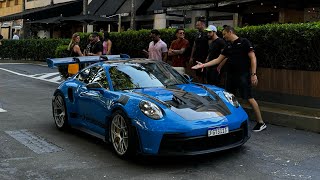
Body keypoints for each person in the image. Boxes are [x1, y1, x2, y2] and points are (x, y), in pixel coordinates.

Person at [192, 25, 266, 132]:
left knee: (249, 97)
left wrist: (253, 74)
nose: (224, 36)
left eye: (224, 34)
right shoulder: (228, 46)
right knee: (229, 97)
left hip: (243, 75)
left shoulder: (244, 42)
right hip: (230, 76)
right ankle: (231, 122)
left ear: (230, 32)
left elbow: (253, 57)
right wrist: (203, 65)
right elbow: (218, 60)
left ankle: (261, 122)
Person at [189, 18, 209, 83]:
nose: (197, 27)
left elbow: (211, 47)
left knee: (205, 74)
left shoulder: (207, 34)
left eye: (198, 25)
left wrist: (208, 57)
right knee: (198, 74)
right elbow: (194, 46)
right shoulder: (197, 34)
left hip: (204, 57)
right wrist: (191, 57)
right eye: (196, 25)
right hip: (197, 57)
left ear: (203, 25)